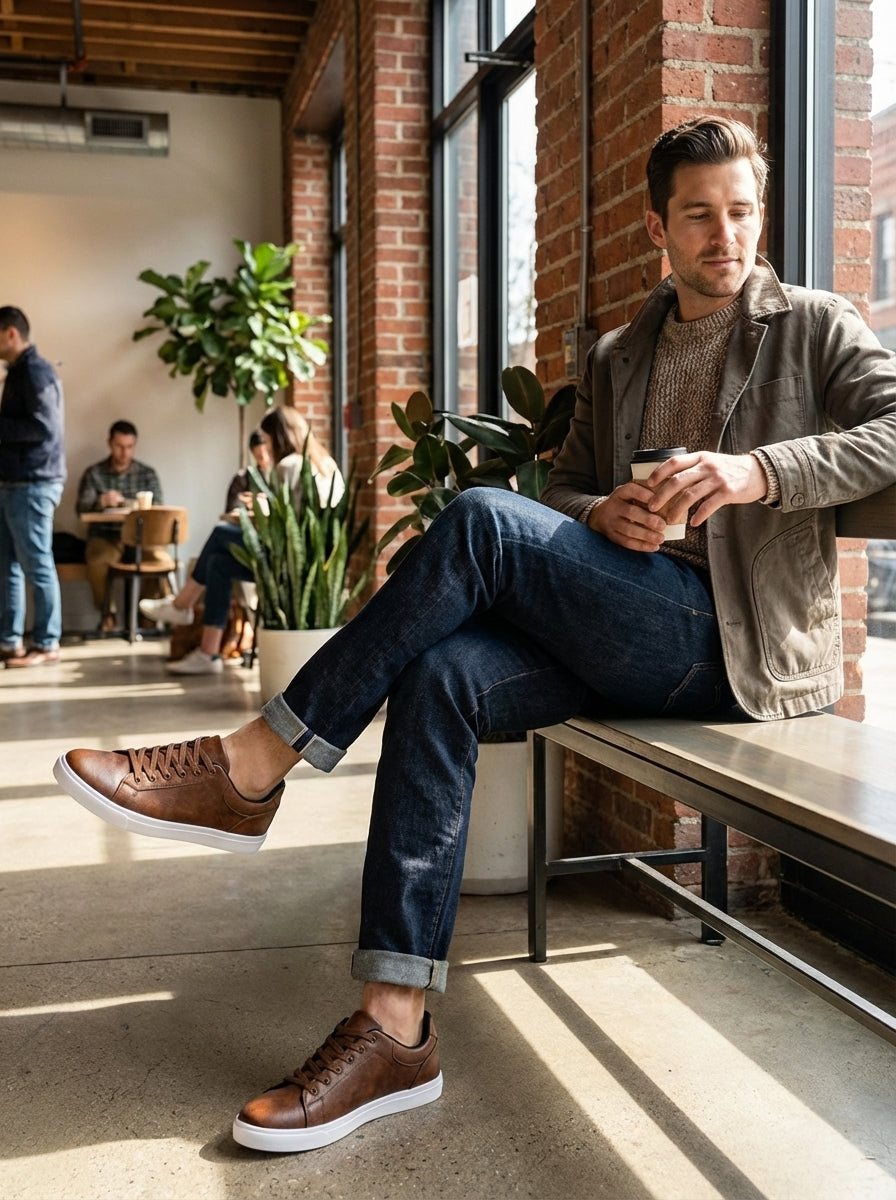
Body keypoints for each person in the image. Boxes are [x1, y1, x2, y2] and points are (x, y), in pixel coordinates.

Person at [54, 117, 896, 1153]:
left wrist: (755, 471)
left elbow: (891, 430)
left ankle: (256, 761)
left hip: (728, 646)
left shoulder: (811, 326)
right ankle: (394, 1027)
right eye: (699, 216)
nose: (726, 235)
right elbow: (574, 485)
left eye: (740, 211)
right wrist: (598, 516)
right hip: (623, 614)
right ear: (656, 229)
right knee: (444, 672)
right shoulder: (619, 351)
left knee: (480, 519)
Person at [139, 406, 342, 675]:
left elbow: (285, 529)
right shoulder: (325, 462)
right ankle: (207, 653)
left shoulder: (288, 465)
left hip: (288, 567)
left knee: (221, 533)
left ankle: (182, 606)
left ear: (279, 437)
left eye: (268, 441)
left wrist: (259, 510)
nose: (267, 448)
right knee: (219, 564)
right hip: (312, 566)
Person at [0, 306, 66, 668]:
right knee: (7, 564)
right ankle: (10, 642)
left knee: (37, 563)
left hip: (32, 482)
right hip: (16, 482)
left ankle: (46, 643)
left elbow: (42, 427)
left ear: (11, 333)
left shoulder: (35, 372)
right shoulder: (19, 373)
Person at [76, 420, 165, 631]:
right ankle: (108, 614)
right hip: (106, 535)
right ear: (110, 443)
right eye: (119, 446)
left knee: (159, 559)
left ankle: (146, 615)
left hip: (141, 537)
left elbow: (159, 508)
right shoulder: (94, 473)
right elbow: (81, 509)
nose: (124, 452)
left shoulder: (147, 474)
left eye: (129, 447)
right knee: (97, 560)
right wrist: (101, 501)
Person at [223, 429, 273, 516]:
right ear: (253, 454)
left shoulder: (281, 475)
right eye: (259, 456)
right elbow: (233, 510)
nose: (264, 459)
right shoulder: (242, 479)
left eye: (267, 453)